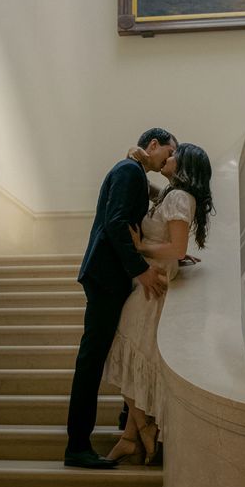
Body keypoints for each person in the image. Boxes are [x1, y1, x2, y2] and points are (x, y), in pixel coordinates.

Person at [64, 128, 177, 469]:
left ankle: (127, 423)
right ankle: (78, 446)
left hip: (110, 277)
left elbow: (155, 205)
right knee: (92, 359)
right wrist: (140, 269)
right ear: (153, 144)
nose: (168, 159)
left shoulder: (133, 171)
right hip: (106, 276)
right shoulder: (129, 171)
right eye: (167, 152)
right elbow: (115, 225)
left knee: (116, 348)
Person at [102, 143, 214, 464]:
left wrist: (142, 248)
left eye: (175, 155)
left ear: (185, 166)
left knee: (125, 350)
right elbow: (154, 197)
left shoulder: (179, 197)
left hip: (153, 287)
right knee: (129, 354)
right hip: (150, 284)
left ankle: (143, 429)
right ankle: (132, 436)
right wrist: (137, 161)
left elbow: (177, 249)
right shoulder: (172, 194)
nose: (169, 157)